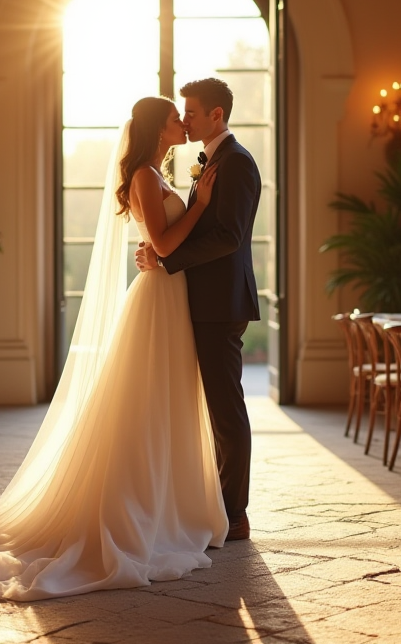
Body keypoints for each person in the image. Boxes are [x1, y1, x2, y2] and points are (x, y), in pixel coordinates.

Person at [0, 96, 228, 601]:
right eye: (173, 119)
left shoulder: (157, 174)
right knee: (146, 403)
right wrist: (202, 206)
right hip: (158, 297)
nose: (182, 124)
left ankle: (170, 504)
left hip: (171, 293)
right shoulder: (145, 176)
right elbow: (164, 246)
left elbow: (164, 244)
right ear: (155, 129)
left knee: (167, 401)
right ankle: (140, 509)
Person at [136, 77, 262, 542]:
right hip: (201, 301)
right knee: (211, 409)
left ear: (216, 115)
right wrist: (160, 251)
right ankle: (210, 505)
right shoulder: (212, 161)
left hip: (220, 303)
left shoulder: (237, 163)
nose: (185, 120)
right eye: (180, 113)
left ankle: (235, 514)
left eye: (190, 112)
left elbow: (229, 237)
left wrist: (166, 259)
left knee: (226, 410)